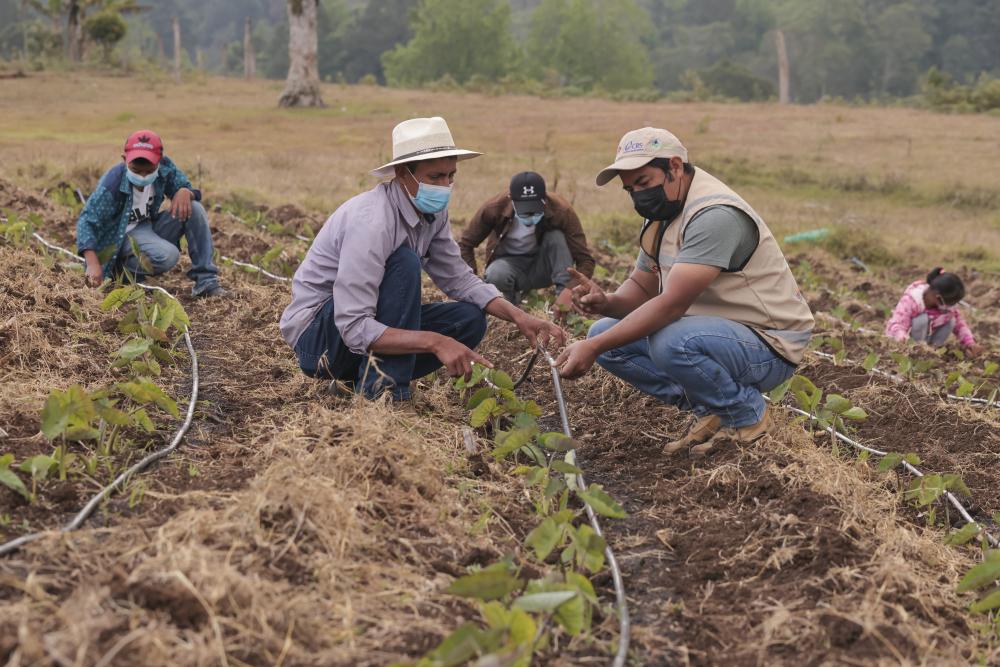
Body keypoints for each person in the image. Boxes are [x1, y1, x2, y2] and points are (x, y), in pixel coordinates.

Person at [555, 127, 814, 457]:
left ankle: (747, 413)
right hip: (715, 334)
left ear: (675, 167)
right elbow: (640, 289)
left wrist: (590, 348)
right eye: (630, 188)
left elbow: (671, 306)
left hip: (769, 343)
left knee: (669, 341)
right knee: (607, 337)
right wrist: (606, 303)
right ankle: (712, 410)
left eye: (645, 183)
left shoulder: (715, 216)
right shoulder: (663, 215)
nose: (638, 196)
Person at [279, 117, 565, 401]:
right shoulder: (372, 222)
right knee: (404, 262)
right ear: (403, 173)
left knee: (468, 320)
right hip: (319, 340)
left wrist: (520, 316)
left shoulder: (431, 212)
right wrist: (434, 342)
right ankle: (383, 395)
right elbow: (353, 326)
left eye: (450, 176)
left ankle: (363, 380)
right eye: (435, 177)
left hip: (356, 330)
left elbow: (458, 277)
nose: (445, 185)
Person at [76, 129, 225, 297]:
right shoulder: (113, 184)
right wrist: (92, 263)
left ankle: (206, 282)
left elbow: (186, 187)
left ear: (159, 162)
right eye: (136, 170)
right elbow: (86, 221)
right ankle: (119, 275)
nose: (143, 176)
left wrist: (185, 191)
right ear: (125, 160)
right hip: (119, 238)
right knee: (168, 255)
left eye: (148, 171)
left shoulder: (165, 169)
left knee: (194, 208)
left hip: (147, 228)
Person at [458, 172, 595, 317]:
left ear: (544, 201)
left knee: (556, 237)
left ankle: (563, 310)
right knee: (495, 274)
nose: (531, 217)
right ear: (512, 201)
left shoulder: (561, 210)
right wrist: (475, 286)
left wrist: (569, 290)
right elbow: (465, 245)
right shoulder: (494, 208)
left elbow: (585, 260)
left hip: (544, 266)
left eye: (536, 212)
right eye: (525, 213)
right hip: (509, 265)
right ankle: (509, 307)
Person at [885, 268, 983, 355]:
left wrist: (970, 343)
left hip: (926, 338)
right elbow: (898, 325)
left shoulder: (946, 307)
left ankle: (932, 350)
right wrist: (904, 341)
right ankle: (917, 352)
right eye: (950, 303)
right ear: (938, 297)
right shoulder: (912, 300)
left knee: (951, 320)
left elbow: (960, 324)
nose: (951, 306)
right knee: (921, 320)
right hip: (907, 341)